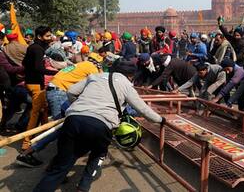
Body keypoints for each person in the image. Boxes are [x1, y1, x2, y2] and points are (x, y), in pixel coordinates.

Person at [32, 60, 164, 192]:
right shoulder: (126, 85)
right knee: (98, 154)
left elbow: (71, 92)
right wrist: (160, 120)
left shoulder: (94, 76)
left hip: (74, 119)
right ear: (131, 76)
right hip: (101, 125)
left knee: (62, 164)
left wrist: (79, 107)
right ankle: (83, 187)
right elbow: (143, 109)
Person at [16, 53, 104, 167]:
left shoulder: (82, 65)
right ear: (98, 64)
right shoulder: (92, 68)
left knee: (63, 127)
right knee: (61, 129)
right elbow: (99, 85)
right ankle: (34, 155)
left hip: (55, 90)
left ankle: (51, 159)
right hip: (59, 93)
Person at [21, 26, 58, 151]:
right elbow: (38, 68)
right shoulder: (37, 49)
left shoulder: (33, 47)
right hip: (36, 84)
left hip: (32, 82)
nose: (49, 38)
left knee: (44, 109)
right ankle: (26, 143)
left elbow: (25, 63)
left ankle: (45, 135)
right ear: (39, 36)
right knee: (35, 113)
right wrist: (56, 73)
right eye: (47, 36)